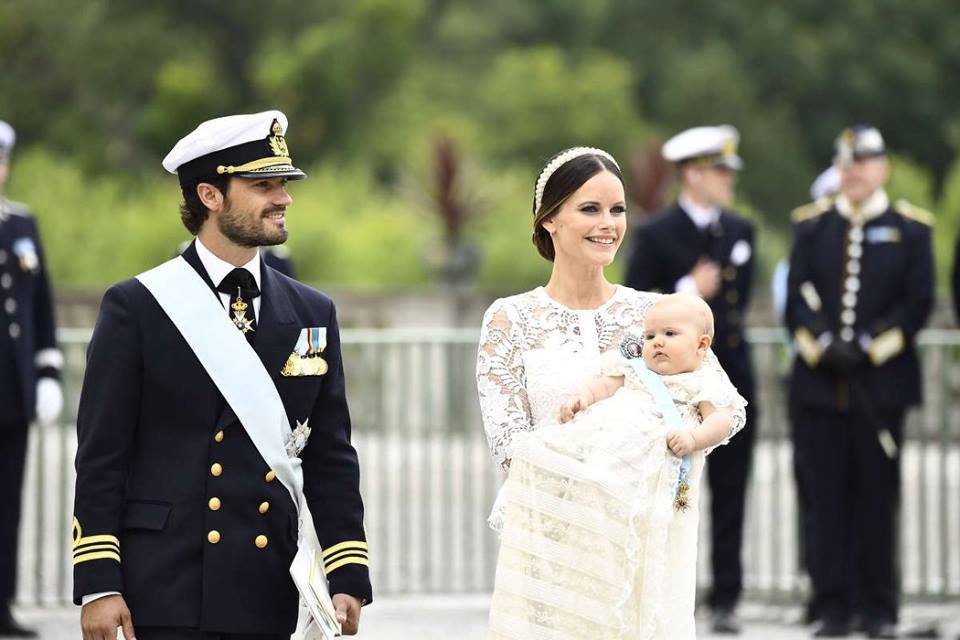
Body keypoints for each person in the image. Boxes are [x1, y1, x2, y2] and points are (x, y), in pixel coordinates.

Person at [72, 110, 371, 640]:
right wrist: (99, 583)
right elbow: (102, 455)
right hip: (166, 585)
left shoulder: (312, 311)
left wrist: (347, 570)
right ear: (210, 195)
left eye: (284, 184)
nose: (284, 198)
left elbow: (330, 454)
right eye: (263, 185)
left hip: (268, 584)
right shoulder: (137, 307)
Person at [476, 146, 746, 640]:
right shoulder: (509, 319)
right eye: (590, 209)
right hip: (553, 547)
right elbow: (510, 447)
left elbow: (720, 405)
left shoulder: (655, 315)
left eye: (617, 209)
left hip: (644, 549)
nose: (609, 224)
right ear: (549, 220)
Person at [488, 293, 745, 639]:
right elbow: (605, 385)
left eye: (670, 334)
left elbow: (721, 419)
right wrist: (582, 399)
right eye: (650, 336)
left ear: (701, 345)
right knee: (547, 453)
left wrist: (694, 438)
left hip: (645, 471)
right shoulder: (636, 369)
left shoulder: (703, 381)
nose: (657, 343)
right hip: (602, 446)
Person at [786, 125, 934, 639]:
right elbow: (795, 301)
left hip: (879, 390)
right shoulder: (812, 227)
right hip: (819, 388)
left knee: (876, 499)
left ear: (882, 168)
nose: (854, 171)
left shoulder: (910, 230)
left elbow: (916, 305)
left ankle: (878, 608)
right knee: (825, 500)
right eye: (846, 162)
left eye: (864, 161)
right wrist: (824, 346)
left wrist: (869, 347)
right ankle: (831, 607)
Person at [624, 125, 755, 633]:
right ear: (693, 175)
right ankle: (663, 590)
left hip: (727, 377)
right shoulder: (657, 232)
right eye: (720, 171)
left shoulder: (740, 230)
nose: (729, 180)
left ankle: (726, 596)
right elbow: (636, 302)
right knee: (667, 491)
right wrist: (688, 288)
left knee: (732, 489)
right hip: (668, 389)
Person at [0, 119, 63, 638]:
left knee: (7, 504)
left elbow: (40, 306)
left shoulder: (21, 224)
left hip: (11, 393)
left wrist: (47, 373)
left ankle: (1, 604)